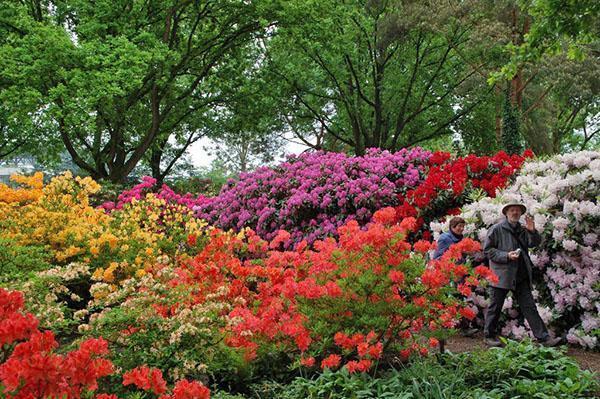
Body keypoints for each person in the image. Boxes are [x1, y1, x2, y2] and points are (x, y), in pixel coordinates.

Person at [483, 202, 562, 347]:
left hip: (521, 275)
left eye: (518, 211)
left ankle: (544, 338)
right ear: (506, 213)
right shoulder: (496, 229)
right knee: (495, 306)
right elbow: (488, 251)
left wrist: (532, 231)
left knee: (529, 307)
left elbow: (534, 243)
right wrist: (506, 255)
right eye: (512, 210)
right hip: (501, 275)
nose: (515, 213)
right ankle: (489, 336)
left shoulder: (523, 229)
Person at [434, 216, 479, 337]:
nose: (461, 228)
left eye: (463, 226)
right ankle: (459, 327)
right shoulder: (445, 238)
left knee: (458, 299)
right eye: (459, 226)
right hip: (448, 274)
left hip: (459, 274)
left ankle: (459, 327)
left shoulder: (461, 239)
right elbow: (437, 257)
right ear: (452, 226)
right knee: (453, 300)